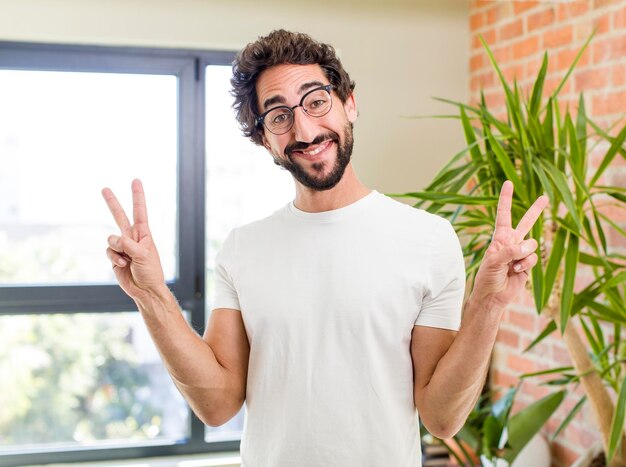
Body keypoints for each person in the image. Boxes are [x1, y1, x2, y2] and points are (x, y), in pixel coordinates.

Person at [102, 30, 548, 467]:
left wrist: (488, 304)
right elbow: (217, 404)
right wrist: (151, 295)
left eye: (316, 101)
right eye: (279, 116)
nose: (306, 128)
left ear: (349, 103)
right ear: (264, 139)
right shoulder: (244, 248)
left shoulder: (428, 240)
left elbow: (442, 417)